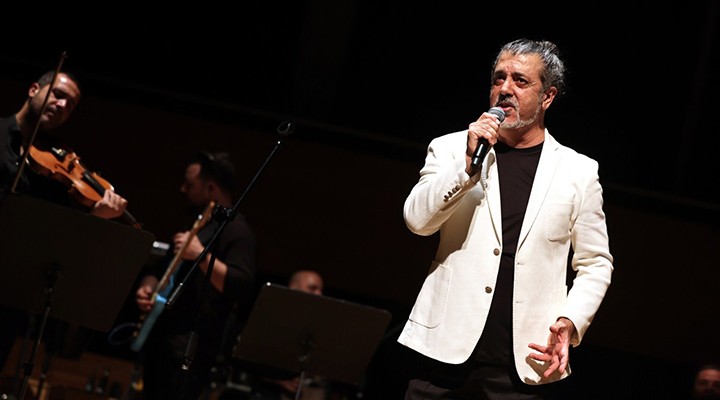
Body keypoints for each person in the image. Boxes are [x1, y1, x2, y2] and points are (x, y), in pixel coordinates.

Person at [398, 38, 614, 399]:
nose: (505, 89)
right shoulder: (451, 148)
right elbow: (418, 221)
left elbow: (596, 262)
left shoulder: (578, 171)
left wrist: (571, 320)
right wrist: (467, 167)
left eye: (520, 81)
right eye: (499, 78)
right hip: (442, 352)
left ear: (547, 97)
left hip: (525, 362)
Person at [0, 71, 129, 377]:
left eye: (70, 105)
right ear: (34, 89)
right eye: (58, 95)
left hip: (9, 296)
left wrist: (96, 216)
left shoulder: (54, 167)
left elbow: (60, 233)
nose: (62, 105)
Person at [134, 150, 257, 400]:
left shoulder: (237, 231)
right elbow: (161, 269)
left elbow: (241, 286)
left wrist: (201, 255)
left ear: (211, 188)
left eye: (190, 185)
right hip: (162, 340)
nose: (183, 189)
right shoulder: (198, 224)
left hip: (191, 350)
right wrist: (148, 287)